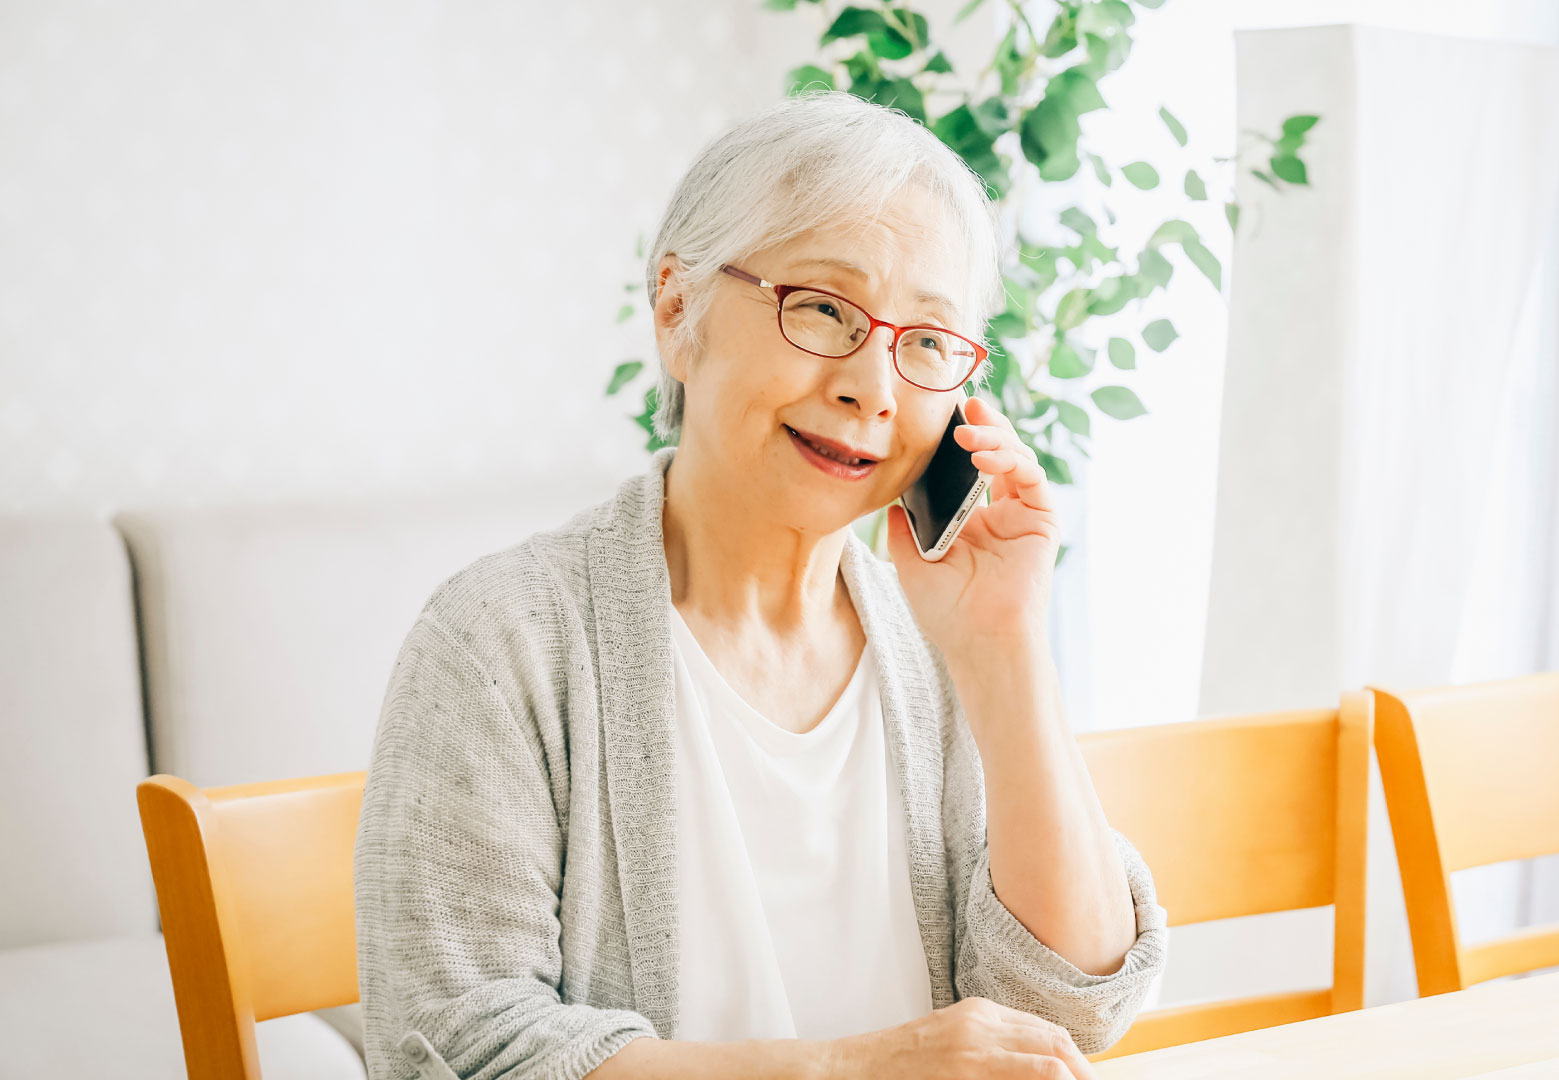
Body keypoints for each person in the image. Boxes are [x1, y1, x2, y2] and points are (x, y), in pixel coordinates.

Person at [354, 90, 1167, 1080]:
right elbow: (462, 1046)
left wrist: (1005, 653)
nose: (873, 386)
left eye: (925, 343)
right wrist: (859, 1069)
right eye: (824, 308)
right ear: (675, 310)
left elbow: (1073, 1007)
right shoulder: (502, 642)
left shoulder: (940, 647)